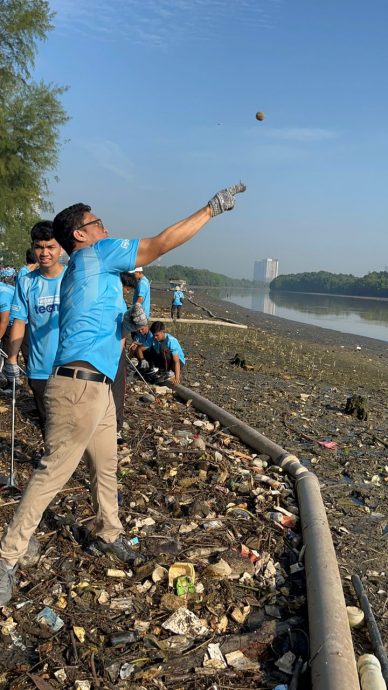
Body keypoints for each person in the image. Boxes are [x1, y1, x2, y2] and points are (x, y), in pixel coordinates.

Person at [0, 181, 246, 605]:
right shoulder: (95, 253)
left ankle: (107, 531)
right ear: (80, 233)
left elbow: (101, 324)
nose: (105, 227)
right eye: (98, 223)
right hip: (78, 387)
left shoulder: (85, 271)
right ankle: (6, 558)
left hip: (98, 386)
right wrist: (210, 210)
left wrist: (131, 322)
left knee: (106, 467)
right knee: (50, 475)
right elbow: (161, 243)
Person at [3, 222, 65, 438]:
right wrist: (12, 359)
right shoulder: (27, 281)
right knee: (47, 424)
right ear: (33, 248)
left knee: (69, 424)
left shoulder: (72, 279)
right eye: (39, 247)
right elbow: (19, 320)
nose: (45, 253)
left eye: (51, 247)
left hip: (70, 365)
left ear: (62, 248)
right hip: (39, 366)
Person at [0, 276, 15, 363]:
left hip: (14, 322)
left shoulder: (3, 295)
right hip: (6, 319)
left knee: (8, 352)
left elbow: (4, 321)